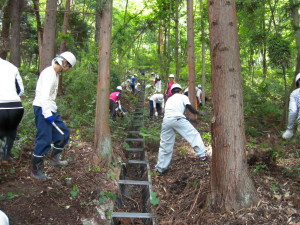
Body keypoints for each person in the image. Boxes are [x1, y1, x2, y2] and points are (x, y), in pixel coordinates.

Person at [31, 51, 76, 181]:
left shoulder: (55, 74)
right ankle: (35, 170)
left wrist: (51, 112)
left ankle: (54, 159)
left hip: (50, 109)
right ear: (65, 63)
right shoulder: (48, 73)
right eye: (69, 67)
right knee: (44, 139)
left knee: (63, 134)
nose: (68, 70)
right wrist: (47, 114)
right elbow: (44, 96)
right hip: (42, 108)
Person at [155, 83, 209, 175]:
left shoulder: (169, 99)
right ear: (180, 91)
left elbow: (173, 115)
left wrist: (190, 120)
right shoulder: (183, 97)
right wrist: (199, 113)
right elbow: (190, 108)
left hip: (166, 121)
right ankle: (202, 155)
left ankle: (160, 168)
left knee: (165, 144)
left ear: (172, 92)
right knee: (193, 135)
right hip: (177, 119)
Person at [0, 58, 24, 163]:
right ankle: (5, 157)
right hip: (16, 107)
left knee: (3, 131)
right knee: (10, 132)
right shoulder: (12, 67)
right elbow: (21, 90)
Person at [282, 73, 300, 139]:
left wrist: (290, 129)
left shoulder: (294, 93)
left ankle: (290, 131)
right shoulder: (294, 93)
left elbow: (293, 111)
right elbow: (293, 111)